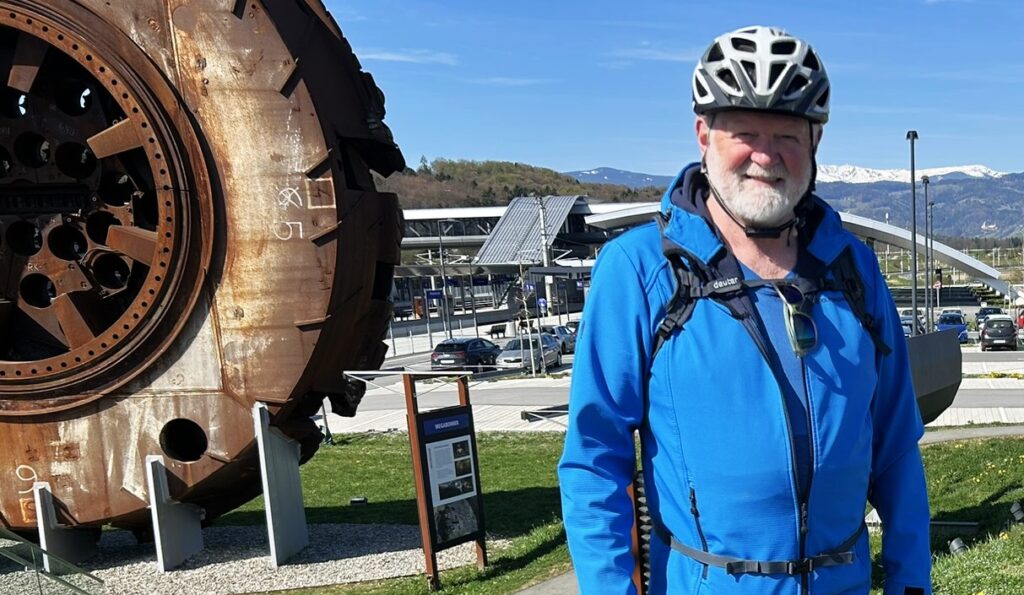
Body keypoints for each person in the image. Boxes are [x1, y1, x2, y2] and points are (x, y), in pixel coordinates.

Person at [558, 26, 931, 595]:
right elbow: (594, 459)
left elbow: (896, 446)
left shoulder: (854, 269)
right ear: (703, 134)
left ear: (815, 142)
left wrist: (912, 583)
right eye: (745, 132)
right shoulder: (639, 270)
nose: (766, 154)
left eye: (786, 135)